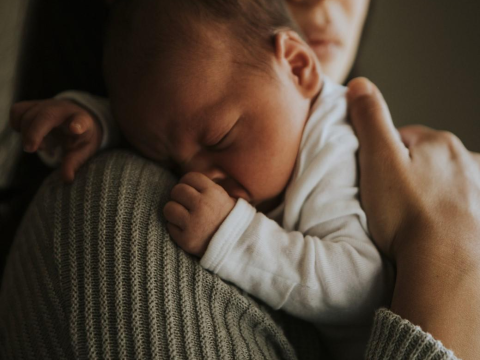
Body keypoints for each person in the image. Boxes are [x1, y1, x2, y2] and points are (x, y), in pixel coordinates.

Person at [1, 1, 479, 359]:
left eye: (222, 138)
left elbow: (356, 286)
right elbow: (179, 114)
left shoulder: (331, 155)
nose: (196, 175)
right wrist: (98, 122)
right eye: (164, 159)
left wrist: (237, 236)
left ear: (297, 66)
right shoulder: (247, 110)